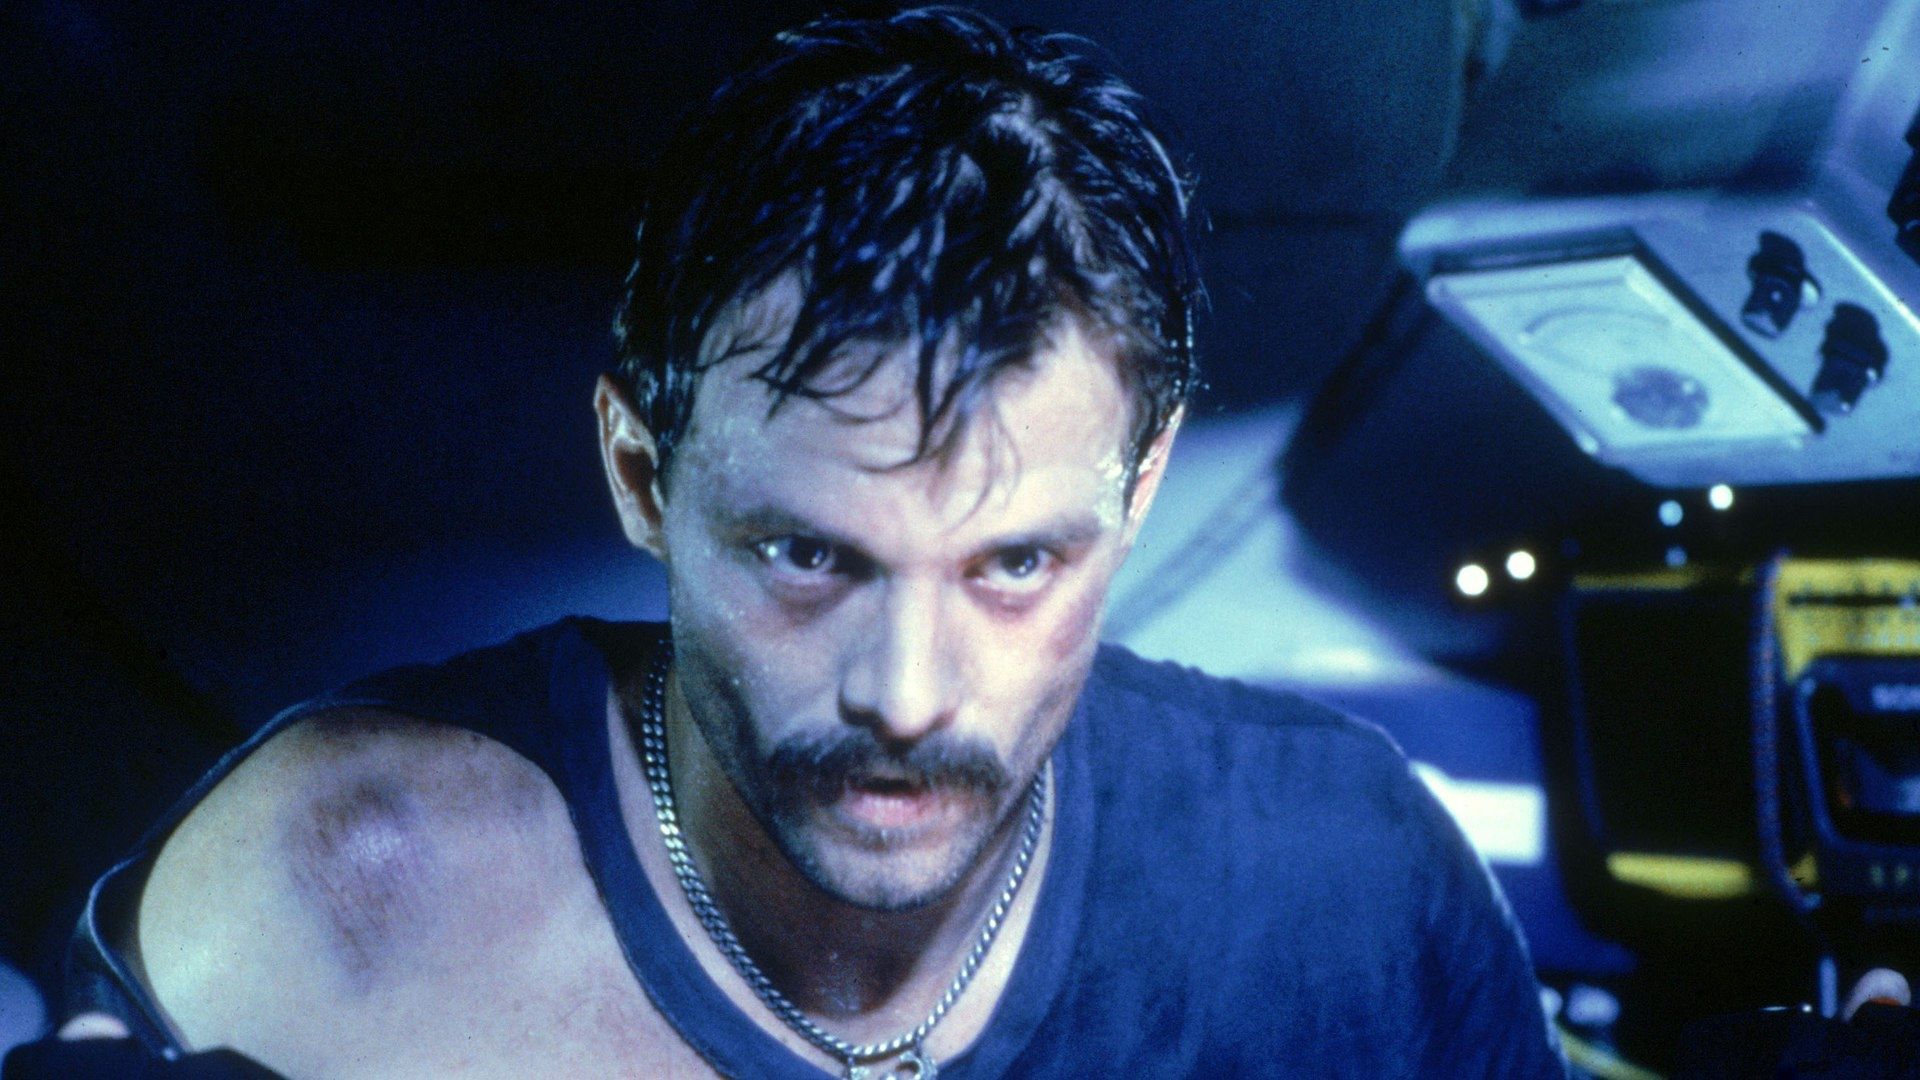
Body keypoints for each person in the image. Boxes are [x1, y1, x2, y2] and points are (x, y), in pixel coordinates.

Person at [15, 7, 1568, 1077]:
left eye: (1015, 566)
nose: (907, 692)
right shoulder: (337, 885)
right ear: (641, 473)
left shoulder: (1350, 887)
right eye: (811, 558)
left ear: (1140, 487)